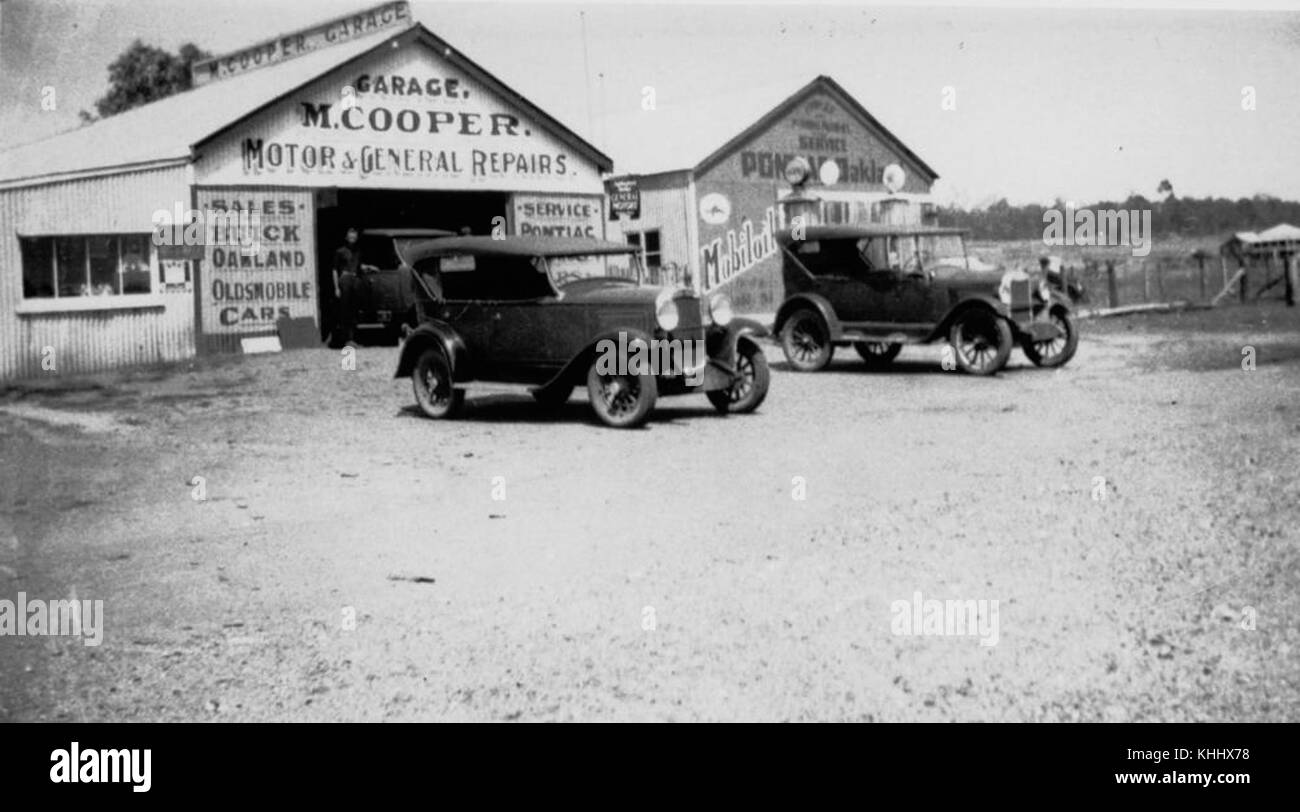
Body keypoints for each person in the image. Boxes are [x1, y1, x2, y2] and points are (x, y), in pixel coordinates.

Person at [331, 227, 361, 348]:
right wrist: (336, 287)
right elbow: (334, 270)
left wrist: (368, 267)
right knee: (344, 310)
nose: (352, 239)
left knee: (354, 310)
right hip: (344, 280)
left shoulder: (358, 252)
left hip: (355, 280)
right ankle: (344, 340)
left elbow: (358, 267)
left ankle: (352, 338)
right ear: (346, 238)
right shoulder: (340, 251)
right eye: (350, 237)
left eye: (354, 237)